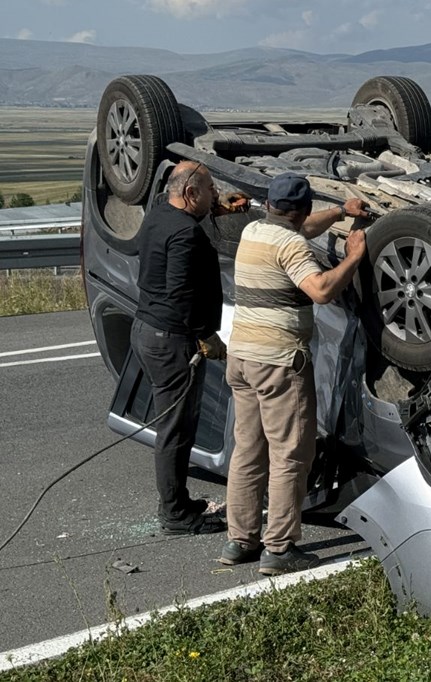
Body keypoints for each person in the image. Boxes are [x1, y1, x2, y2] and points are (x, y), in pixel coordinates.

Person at [219, 173, 368, 575]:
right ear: (299, 210)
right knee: (290, 455)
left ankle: (240, 540)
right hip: (279, 363)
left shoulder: (255, 230)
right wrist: (353, 255)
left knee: (248, 451)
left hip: (242, 358)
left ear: (269, 206)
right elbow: (320, 290)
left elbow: (300, 227)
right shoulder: (291, 244)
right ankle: (279, 549)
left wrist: (339, 212)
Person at [131, 161, 248, 535]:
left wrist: (217, 207)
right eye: (211, 189)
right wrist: (206, 336)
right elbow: (181, 293)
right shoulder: (186, 235)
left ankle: (177, 501)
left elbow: (187, 210)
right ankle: (175, 516)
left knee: (175, 426)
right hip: (172, 339)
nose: (216, 194)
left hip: (148, 329)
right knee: (176, 430)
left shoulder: (159, 216)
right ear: (191, 193)